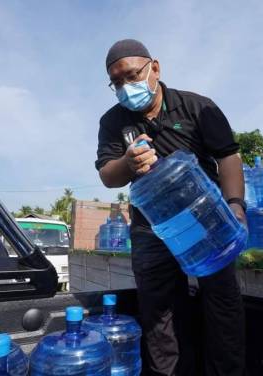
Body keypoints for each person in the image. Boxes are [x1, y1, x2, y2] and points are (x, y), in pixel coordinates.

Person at [96, 39, 246, 376]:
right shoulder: (112, 121)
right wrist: (128, 162)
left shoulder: (196, 107)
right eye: (116, 82)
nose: (125, 87)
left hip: (206, 223)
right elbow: (108, 175)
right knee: (159, 316)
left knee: (223, 306)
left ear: (155, 68)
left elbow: (229, 156)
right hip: (152, 229)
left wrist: (236, 205)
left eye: (132, 76)